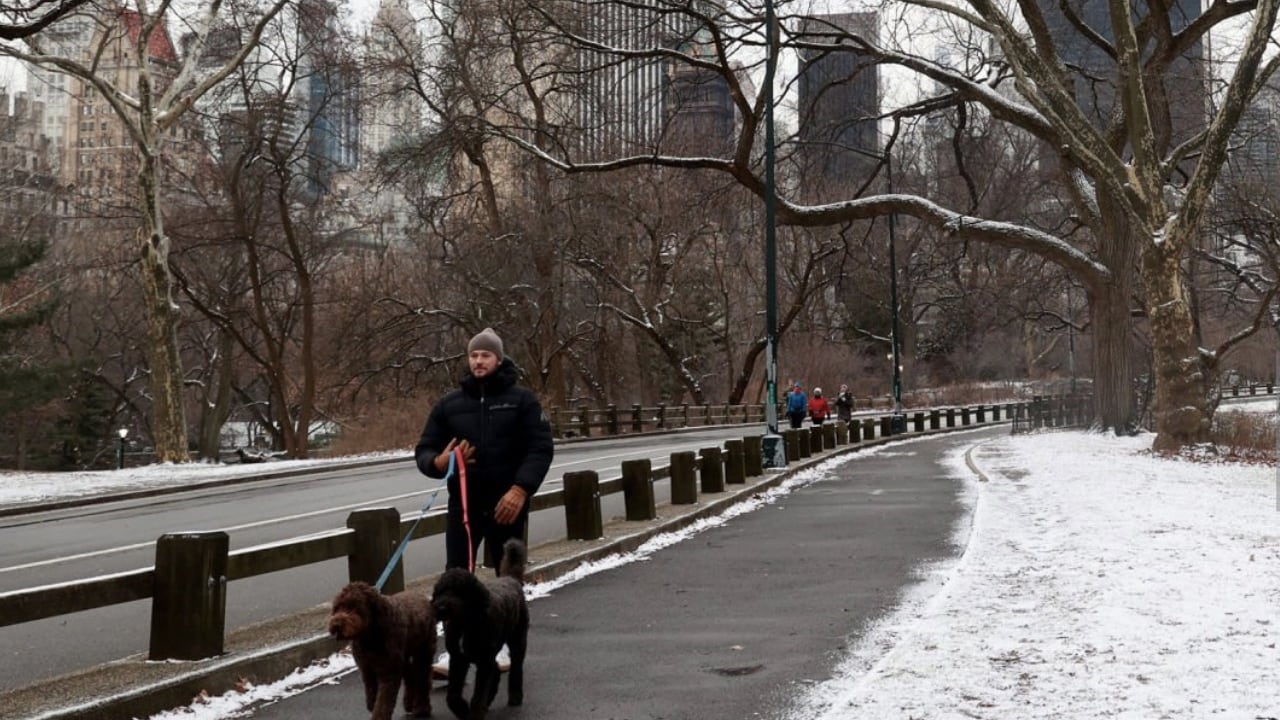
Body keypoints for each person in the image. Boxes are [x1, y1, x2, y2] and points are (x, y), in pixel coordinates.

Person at [415, 328, 554, 574]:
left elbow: (541, 448)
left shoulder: (522, 401)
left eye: (486, 355)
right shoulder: (448, 405)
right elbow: (424, 449)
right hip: (464, 507)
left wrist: (520, 490)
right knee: (457, 580)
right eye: (474, 355)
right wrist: (439, 462)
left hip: (507, 504)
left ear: (499, 360)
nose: (479, 361)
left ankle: (512, 612)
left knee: (509, 581)